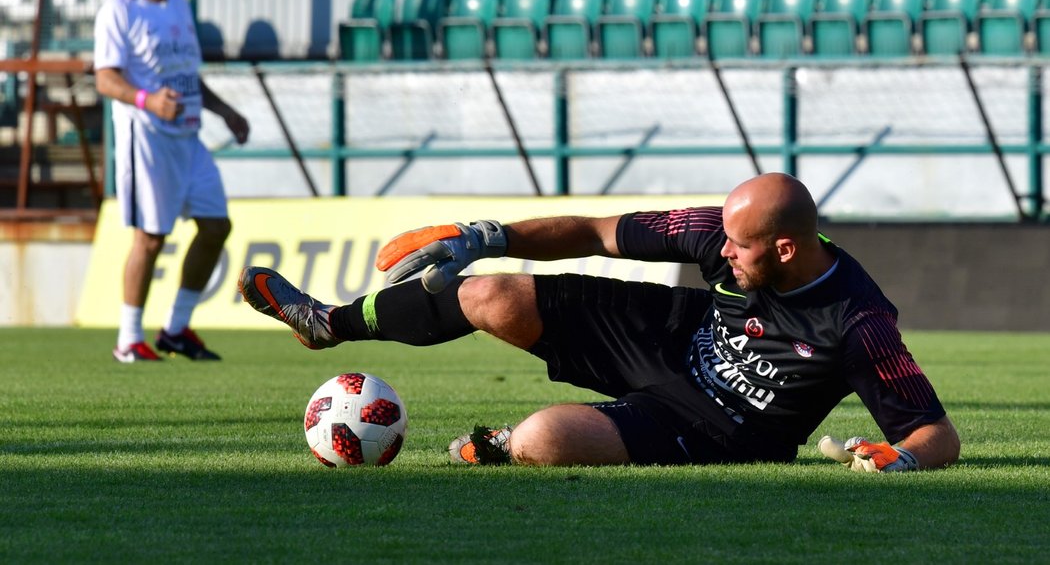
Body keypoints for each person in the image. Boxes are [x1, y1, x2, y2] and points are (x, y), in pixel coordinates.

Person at [238, 173, 960, 470]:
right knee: (489, 294)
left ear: (786, 249)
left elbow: (936, 433)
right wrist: (484, 235)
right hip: (670, 332)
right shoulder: (720, 234)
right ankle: (327, 323)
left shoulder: (860, 322)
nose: (721, 249)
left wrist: (903, 459)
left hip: (721, 429)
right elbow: (592, 227)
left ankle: (501, 442)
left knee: (544, 441)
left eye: (739, 247)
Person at [94, 0, 250, 363]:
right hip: (147, 138)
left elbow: (187, 75)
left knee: (217, 225)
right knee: (150, 237)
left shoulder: (179, 6)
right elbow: (105, 77)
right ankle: (128, 338)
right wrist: (146, 99)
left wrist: (226, 112)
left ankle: (176, 329)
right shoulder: (119, 11)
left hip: (189, 136)